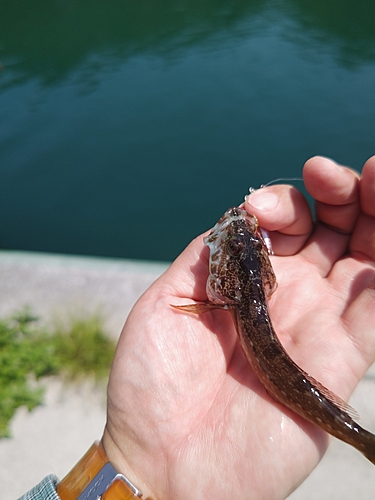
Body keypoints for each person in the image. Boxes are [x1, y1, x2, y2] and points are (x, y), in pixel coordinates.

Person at [21, 156, 375, 500]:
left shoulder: (228, 293)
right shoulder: (242, 292)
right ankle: (362, 439)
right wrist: (134, 462)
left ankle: (363, 440)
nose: (241, 229)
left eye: (246, 242)